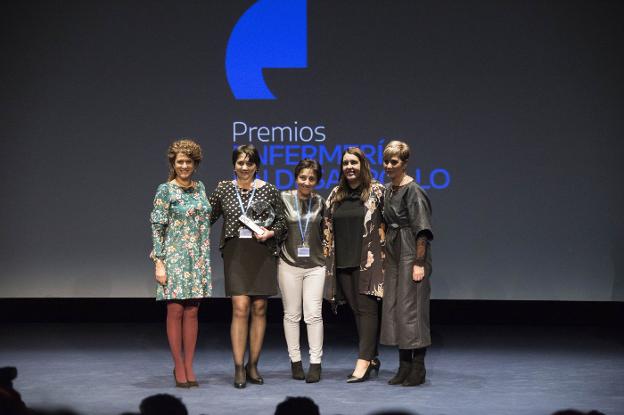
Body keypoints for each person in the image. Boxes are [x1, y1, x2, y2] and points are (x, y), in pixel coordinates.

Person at [209, 144, 287, 388]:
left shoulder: (270, 190)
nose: (244, 167)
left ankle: (253, 365)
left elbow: (283, 221)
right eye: (240, 163)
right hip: (236, 252)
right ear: (234, 165)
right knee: (240, 307)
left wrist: (271, 232)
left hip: (262, 251)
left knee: (260, 308)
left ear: (257, 166)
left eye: (249, 163)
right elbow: (207, 218)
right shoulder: (223, 189)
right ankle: (238, 367)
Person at [150, 139, 212, 388]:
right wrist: (159, 262)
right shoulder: (165, 190)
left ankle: (189, 365)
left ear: (195, 164)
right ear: (173, 164)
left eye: (188, 161)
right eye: (180, 162)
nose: (184, 166)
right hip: (174, 258)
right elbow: (157, 227)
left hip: (197, 258)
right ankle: (178, 365)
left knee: (193, 312)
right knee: (175, 310)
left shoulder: (201, 188)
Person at [323, 147, 385, 383]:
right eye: (346, 163)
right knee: (357, 310)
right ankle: (373, 356)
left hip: (367, 260)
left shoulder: (376, 191)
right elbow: (327, 226)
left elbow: (387, 224)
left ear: (363, 165)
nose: (349, 166)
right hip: (342, 261)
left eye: (354, 162)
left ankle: (363, 360)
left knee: (367, 310)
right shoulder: (336, 193)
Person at [379, 140, 433, 387]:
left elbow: (422, 229)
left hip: (411, 250)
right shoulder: (389, 190)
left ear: (405, 163)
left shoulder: (414, 190)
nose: (389, 166)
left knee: (412, 309)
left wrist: (419, 262)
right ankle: (404, 366)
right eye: (386, 161)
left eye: (394, 161)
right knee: (395, 307)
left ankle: (418, 368)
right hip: (393, 250)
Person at [278, 159, 326, 383]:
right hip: (289, 264)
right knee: (292, 314)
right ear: (296, 177)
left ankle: (315, 363)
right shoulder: (283, 199)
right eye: (302, 177)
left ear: (317, 181)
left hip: (316, 265)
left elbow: (328, 233)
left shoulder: (321, 203)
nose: (306, 182)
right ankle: (295, 362)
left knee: (314, 314)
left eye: (311, 179)